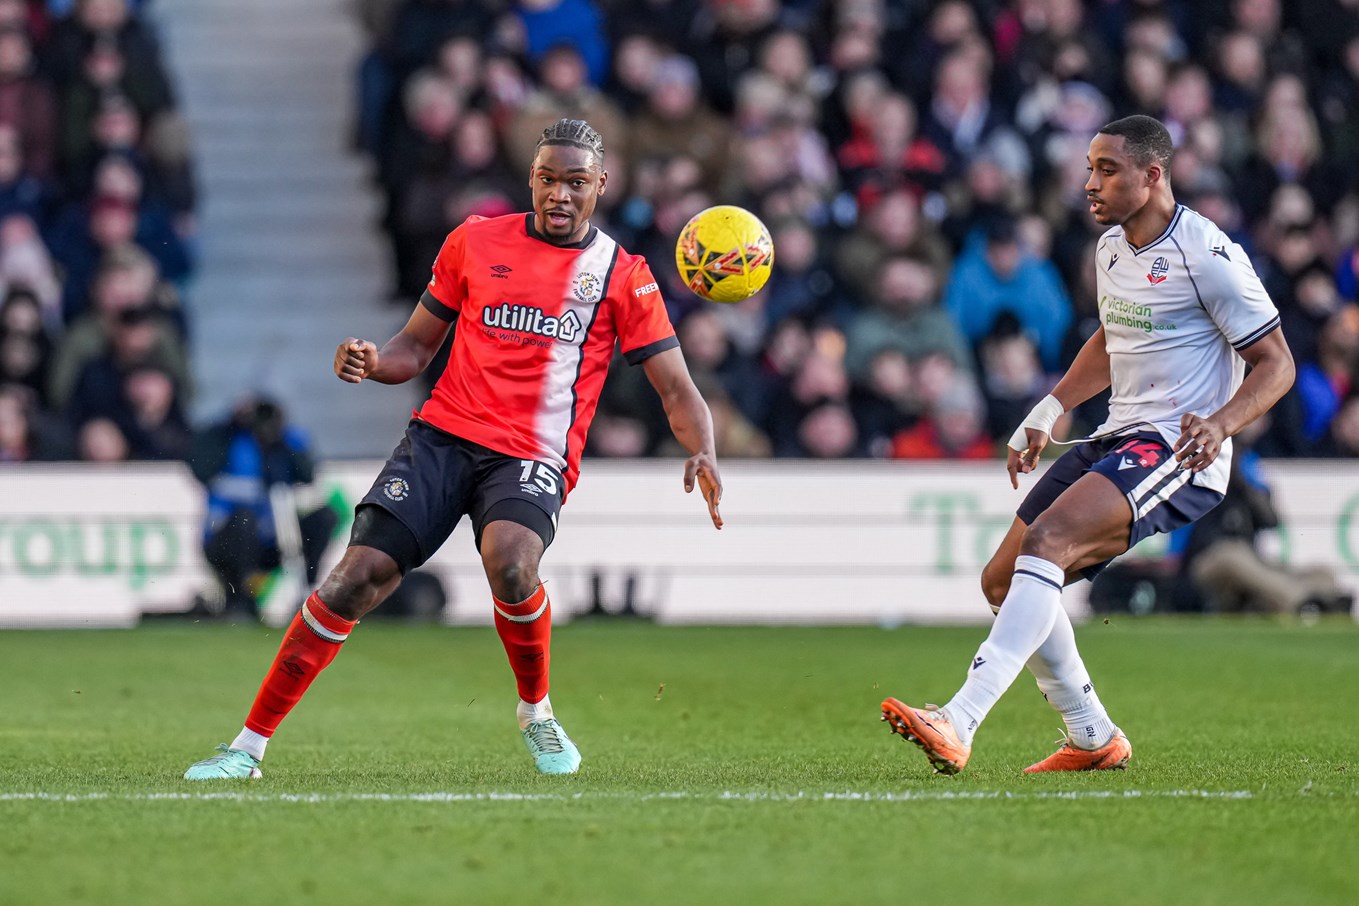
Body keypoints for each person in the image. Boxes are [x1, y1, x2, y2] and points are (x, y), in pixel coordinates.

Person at [184, 119, 723, 780]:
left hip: (531, 456)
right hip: (442, 438)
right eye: (548, 179)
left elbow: (676, 386)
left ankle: (536, 712)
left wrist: (702, 449)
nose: (559, 194)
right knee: (353, 580)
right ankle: (246, 748)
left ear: (600, 186)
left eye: (575, 183)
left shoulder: (622, 275)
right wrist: (371, 359)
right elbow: (413, 349)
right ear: (531, 177)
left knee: (512, 564)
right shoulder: (474, 240)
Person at [880, 114, 1294, 775]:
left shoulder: (1206, 255)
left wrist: (1218, 424)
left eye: (1106, 170)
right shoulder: (1107, 249)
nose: (1088, 184)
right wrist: (1049, 407)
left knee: (1046, 546)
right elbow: (1112, 337)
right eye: (1087, 169)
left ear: (1152, 176)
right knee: (999, 581)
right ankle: (1092, 733)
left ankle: (957, 719)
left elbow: (1276, 363)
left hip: (1178, 451)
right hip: (1116, 433)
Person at [188, 395, 338, 620]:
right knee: (244, 518)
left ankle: (307, 590)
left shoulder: (283, 444)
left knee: (324, 517)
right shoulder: (227, 440)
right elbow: (199, 468)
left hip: (271, 539)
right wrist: (231, 424)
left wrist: (280, 437)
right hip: (226, 540)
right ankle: (239, 599)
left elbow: (307, 474)